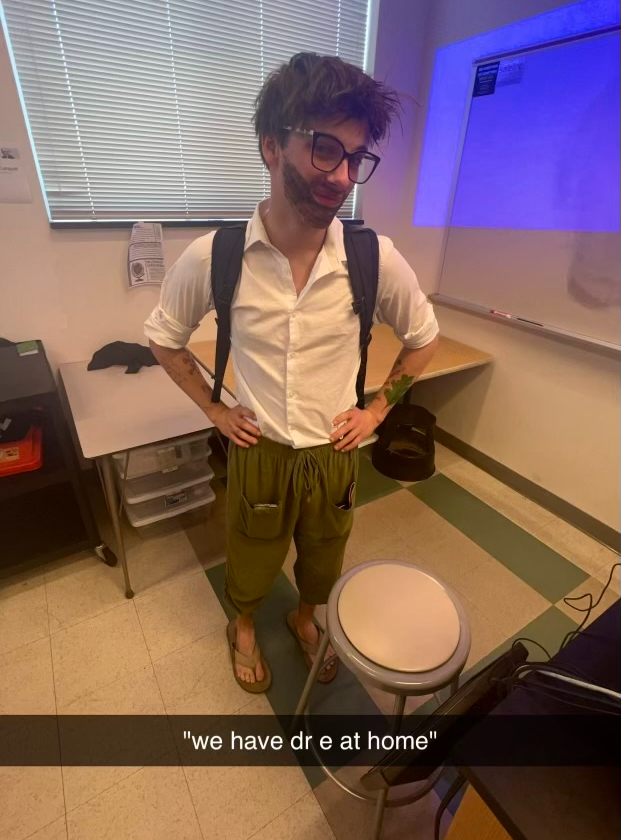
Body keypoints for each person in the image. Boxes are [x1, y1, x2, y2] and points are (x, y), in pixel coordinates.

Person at [145, 52, 439, 693]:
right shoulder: (215, 256)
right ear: (271, 146)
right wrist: (215, 409)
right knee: (250, 554)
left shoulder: (374, 258)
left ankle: (306, 618)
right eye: (326, 149)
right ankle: (244, 624)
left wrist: (376, 411)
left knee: (325, 556)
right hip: (261, 449)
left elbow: (423, 340)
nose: (342, 177)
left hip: (335, 451)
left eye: (356, 158)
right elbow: (164, 340)